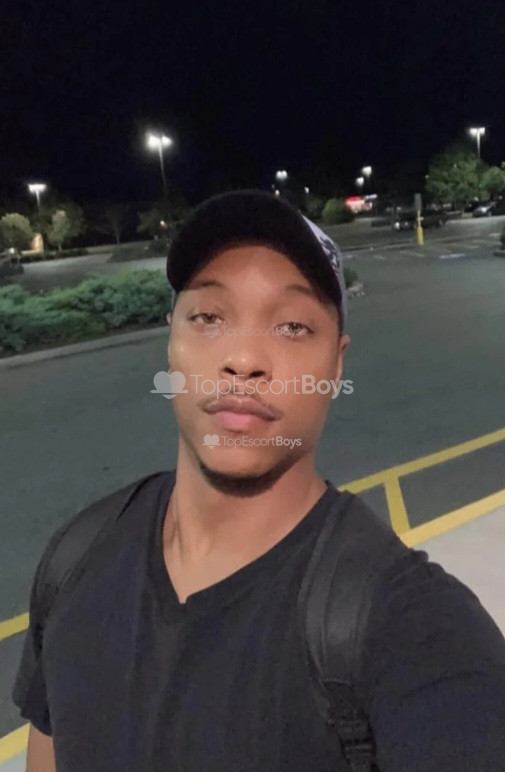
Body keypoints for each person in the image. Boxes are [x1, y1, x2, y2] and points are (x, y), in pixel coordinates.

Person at [13, 190, 505, 772]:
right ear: (170, 340)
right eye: (208, 318)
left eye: (293, 326)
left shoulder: (410, 626)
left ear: (337, 364)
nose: (244, 358)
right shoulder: (77, 559)